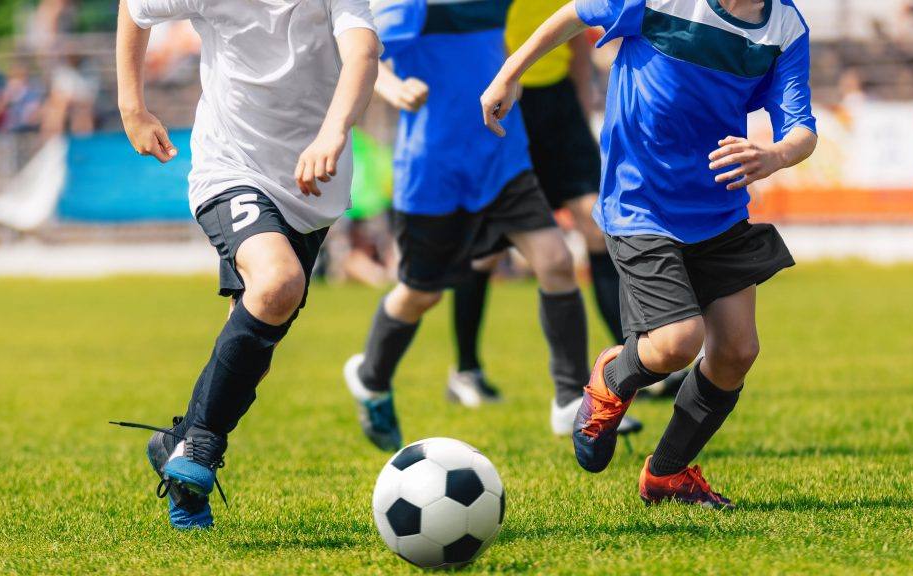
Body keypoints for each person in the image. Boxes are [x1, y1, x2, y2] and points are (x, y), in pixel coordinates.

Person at [483, 0, 817, 509]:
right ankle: (610, 377)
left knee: (736, 352)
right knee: (679, 341)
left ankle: (667, 473)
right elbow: (575, 14)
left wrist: (774, 155)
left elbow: (802, 129)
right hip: (640, 201)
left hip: (719, 208)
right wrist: (509, 74)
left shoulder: (785, 27)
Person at [112, 0, 379, 529]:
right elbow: (134, 9)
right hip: (231, 168)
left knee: (260, 313)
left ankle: (179, 442)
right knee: (280, 283)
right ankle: (201, 447)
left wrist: (332, 133)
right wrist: (132, 108)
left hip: (313, 182)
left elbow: (363, 50)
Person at [343, 0, 640, 451]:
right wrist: (393, 88)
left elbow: (548, 35)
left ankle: (566, 400)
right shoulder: (412, 6)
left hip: (502, 158)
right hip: (434, 172)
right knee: (420, 293)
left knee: (556, 261)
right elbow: (364, 54)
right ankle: (371, 376)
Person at [443, 0, 625, 408]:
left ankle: (632, 360)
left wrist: (580, 118)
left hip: (558, 106)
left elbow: (577, 42)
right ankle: (466, 370)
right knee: (485, 250)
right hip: (502, 100)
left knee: (597, 226)